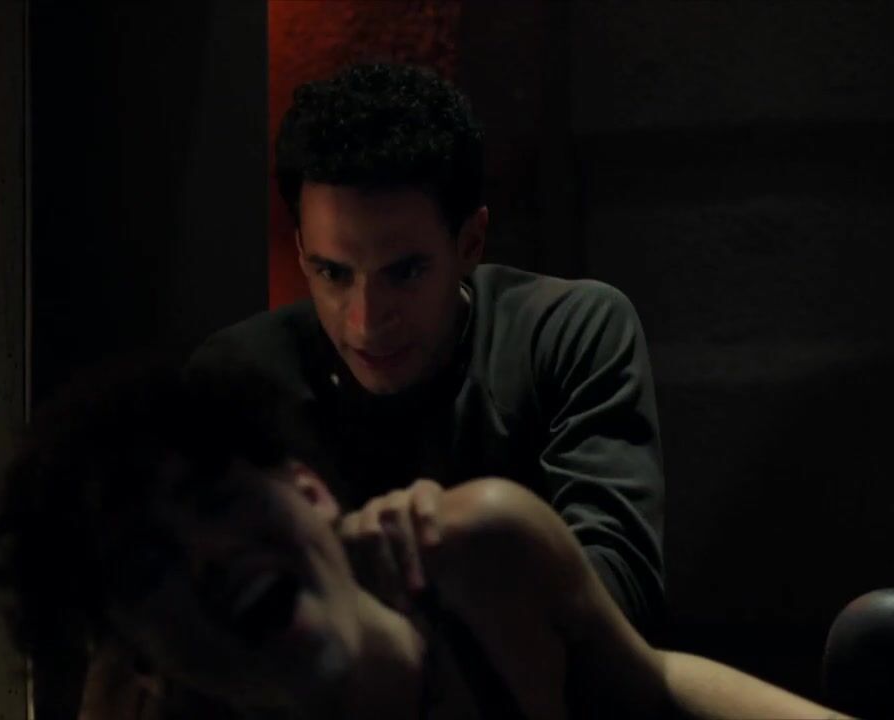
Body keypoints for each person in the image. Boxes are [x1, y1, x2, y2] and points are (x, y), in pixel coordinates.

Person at [0, 364, 842, 719]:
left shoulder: (481, 557)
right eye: (148, 570)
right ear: (141, 656)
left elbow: (653, 686)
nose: (207, 558)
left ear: (310, 491)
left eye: (216, 499)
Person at [190, 62, 664, 633]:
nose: (367, 321)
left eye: (406, 272)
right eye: (333, 273)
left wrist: (452, 533)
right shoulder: (238, 377)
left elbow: (620, 596)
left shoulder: (562, 334)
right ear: (300, 253)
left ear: (470, 243)